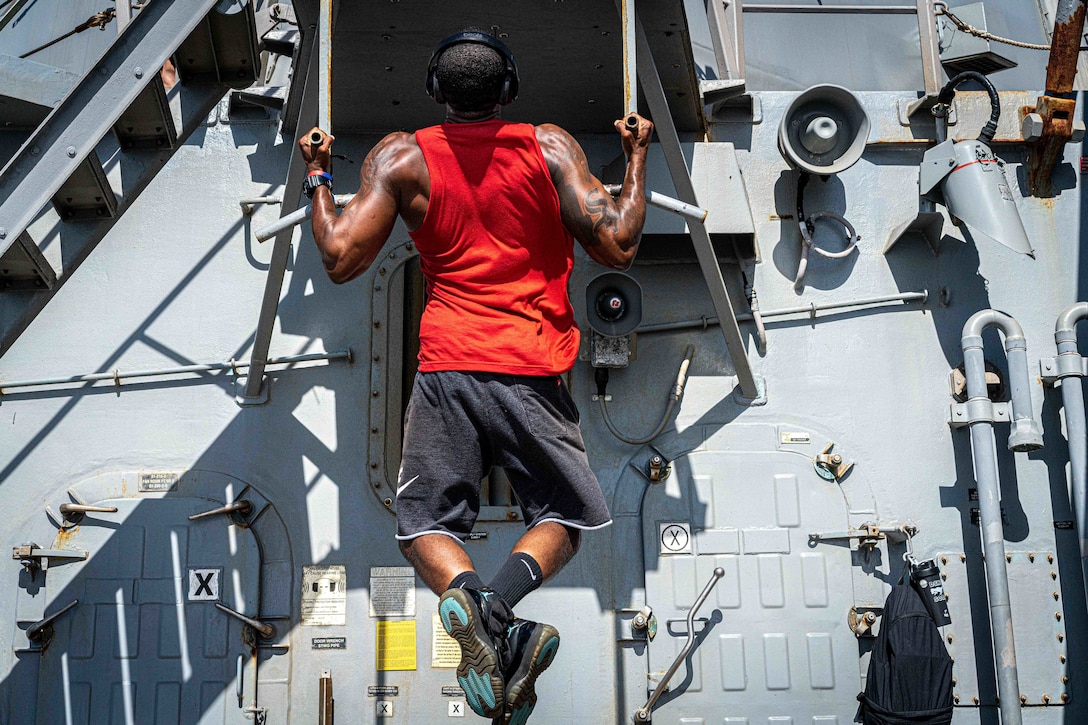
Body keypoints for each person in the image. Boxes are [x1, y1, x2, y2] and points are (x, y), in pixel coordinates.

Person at [299, 28, 652, 722]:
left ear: (435, 91)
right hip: (531, 363)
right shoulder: (549, 147)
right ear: (510, 90)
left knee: (422, 523)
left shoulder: (401, 157)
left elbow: (340, 256)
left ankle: (473, 606)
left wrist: (317, 175)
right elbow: (618, 243)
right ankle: (495, 606)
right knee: (566, 515)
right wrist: (636, 157)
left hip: (447, 365)